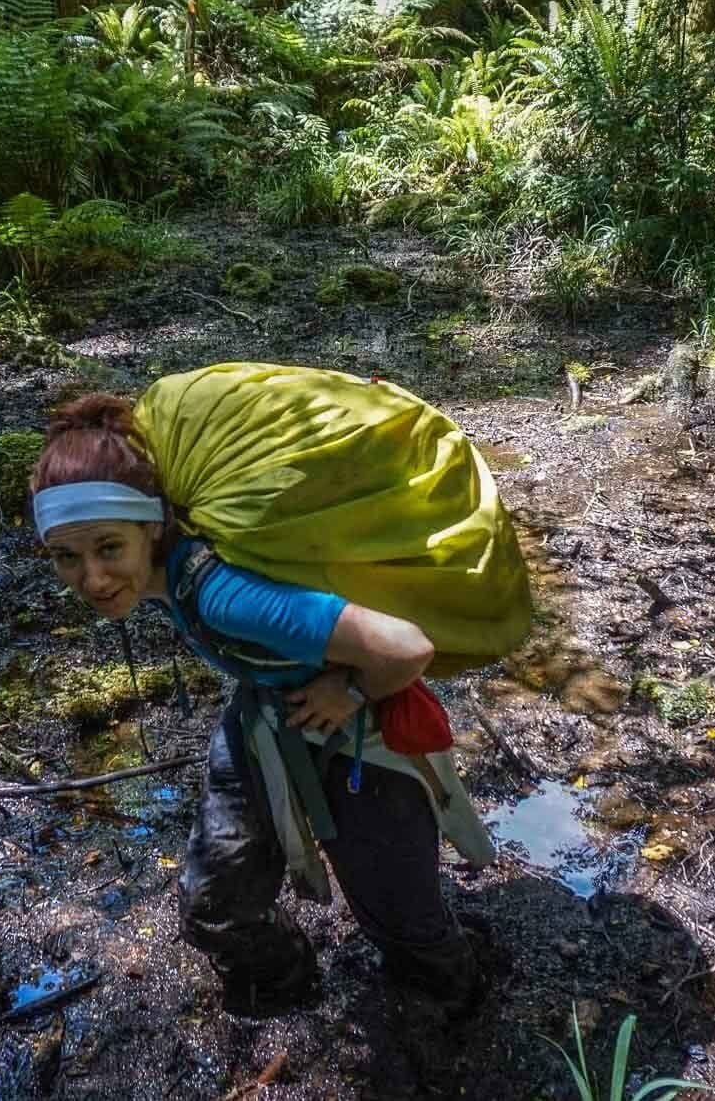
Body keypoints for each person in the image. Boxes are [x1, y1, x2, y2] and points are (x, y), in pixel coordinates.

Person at [28, 392, 496, 1019]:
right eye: (67, 557)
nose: (91, 579)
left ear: (153, 528)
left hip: (357, 740)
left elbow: (406, 647)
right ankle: (287, 987)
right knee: (215, 907)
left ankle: (456, 1009)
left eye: (109, 548)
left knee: (407, 929)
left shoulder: (222, 596)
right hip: (263, 718)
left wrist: (348, 691)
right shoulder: (166, 575)